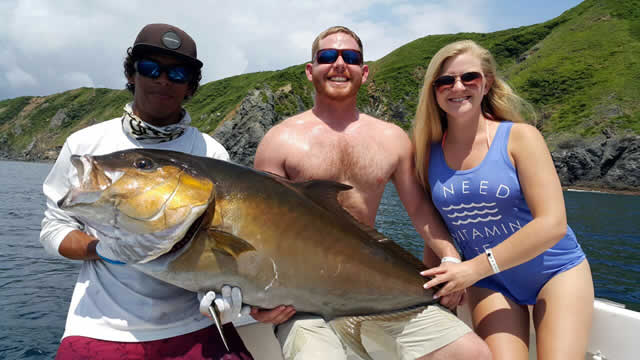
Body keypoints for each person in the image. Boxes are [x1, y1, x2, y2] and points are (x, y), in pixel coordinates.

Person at [252, 26, 492, 360]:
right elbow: (258, 230)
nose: (339, 64)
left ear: (363, 73)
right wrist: (255, 297)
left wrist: (451, 259)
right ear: (310, 71)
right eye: (327, 57)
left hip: (374, 289)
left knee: (473, 354)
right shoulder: (278, 142)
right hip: (303, 299)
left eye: (350, 58)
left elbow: (420, 209)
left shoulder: (391, 138)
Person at [40, 23, 252, 360]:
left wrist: (225, 290)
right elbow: (55, 229)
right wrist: (105, 250)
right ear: (132, 74)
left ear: (190, 86)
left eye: (178, 73)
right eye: (151, 68)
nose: (163, 80)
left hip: (193, 320)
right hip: (100, 324)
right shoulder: (86, 147)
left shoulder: (210, 153)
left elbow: (226, 243)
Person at [414, 40, 594, 359]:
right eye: (445, 81)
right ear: (434, 91)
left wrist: (472, 270)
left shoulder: (521, 138)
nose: (457, 87)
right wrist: (436, 287)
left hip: (555, 272)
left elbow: (552, 224)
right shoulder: (427, 155)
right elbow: (437, 229)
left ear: (487, 83)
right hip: (490, 281)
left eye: (469, 78)